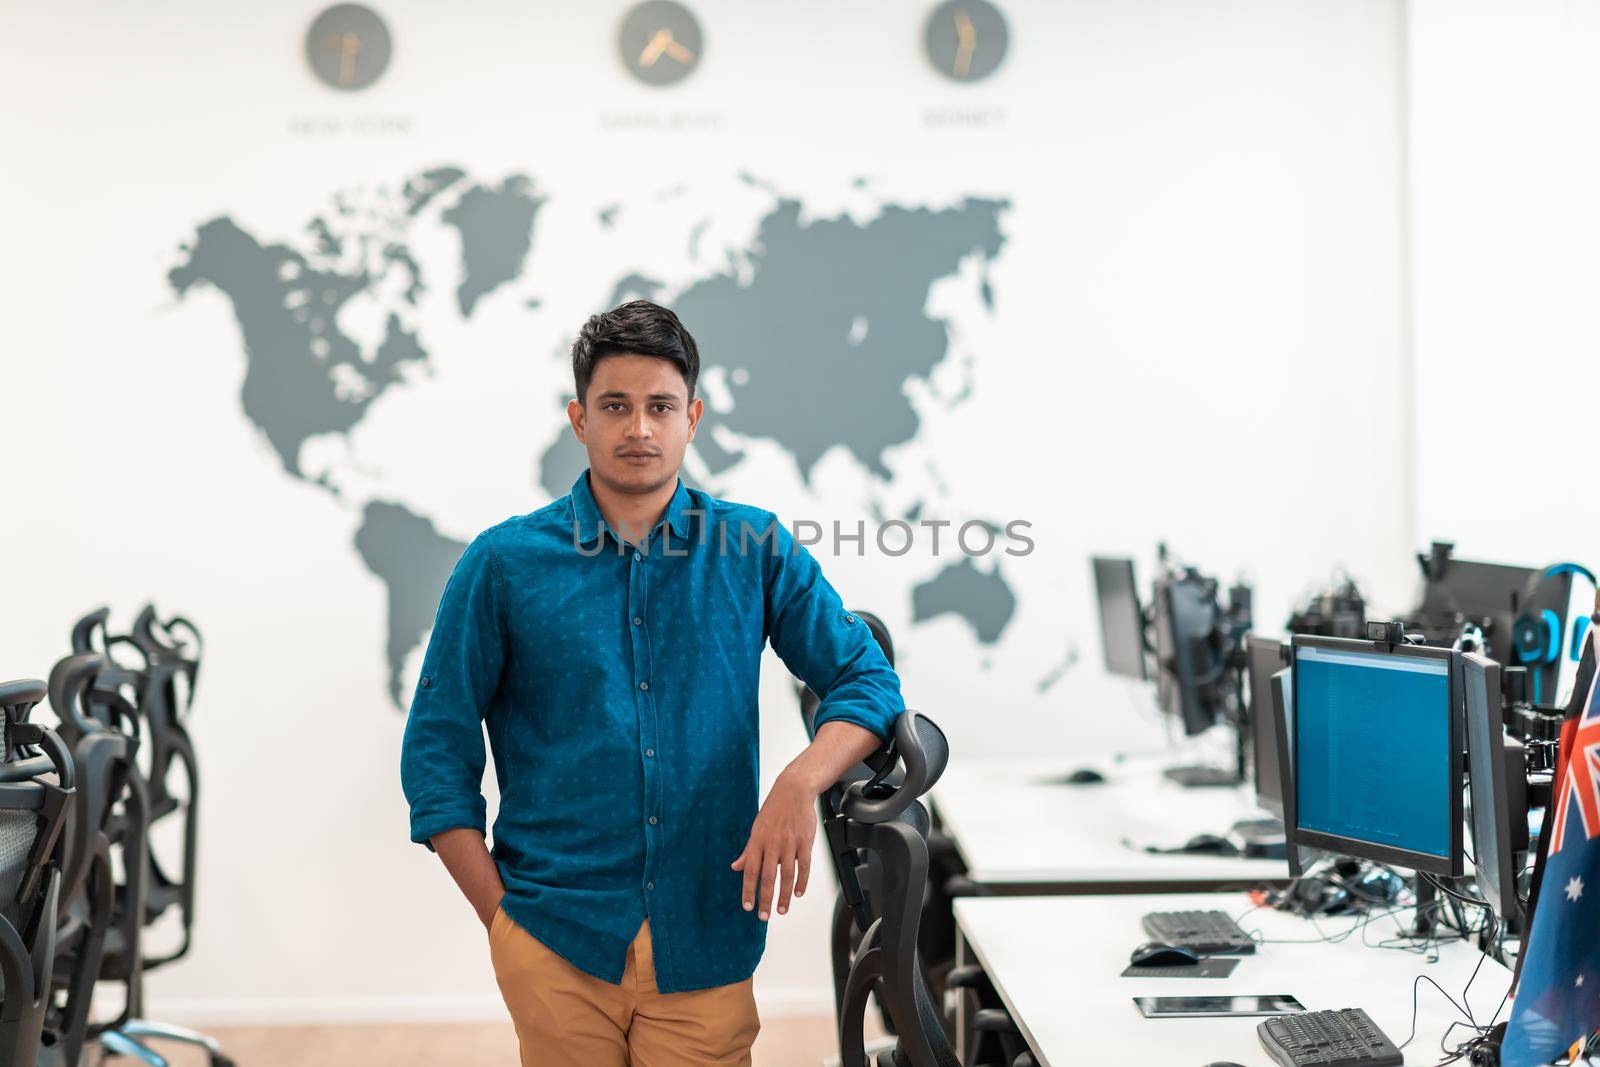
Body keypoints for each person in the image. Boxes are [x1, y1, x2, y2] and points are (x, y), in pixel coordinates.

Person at [400, 300, 905, 1066]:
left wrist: (800, 783)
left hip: (704, 940)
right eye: (615, 406)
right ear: (579, 419)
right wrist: (502, 920)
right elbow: (436, 751)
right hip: (554, 938)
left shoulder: (753, 548)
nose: (639, 428)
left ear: (692, 417)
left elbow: (865, 678)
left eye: (659, 406)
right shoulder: (503, 563)